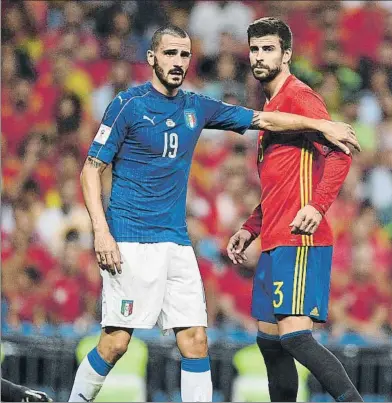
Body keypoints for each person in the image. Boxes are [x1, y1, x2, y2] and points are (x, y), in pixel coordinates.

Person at [68, 25, 360, 403]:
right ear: (151, 57)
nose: (177, 62)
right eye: (169, 53)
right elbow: (91, 168)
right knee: (116, 343)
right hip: (131, 238)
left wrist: (321, 125)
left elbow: (265, 121)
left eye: (184, 55)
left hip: (178, 242)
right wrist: (101, 233)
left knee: (198, 340)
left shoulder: (198, 106)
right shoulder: (128, 104)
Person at [227, 18, 363, 402]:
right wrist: (250, 227)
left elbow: (340, 155)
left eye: (268, 48)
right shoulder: (270, 108)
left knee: (296, 337)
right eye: (254, 48)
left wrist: (318, 207)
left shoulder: (299, 97)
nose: (259, 56)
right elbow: (278, 184)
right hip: (272, 239)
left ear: (286, 54)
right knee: (270, 343)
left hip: (299, 238)